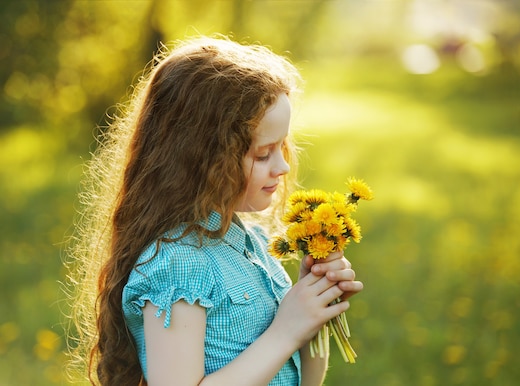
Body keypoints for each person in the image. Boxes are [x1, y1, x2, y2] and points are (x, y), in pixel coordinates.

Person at [66, 35, 363, 386]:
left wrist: (313, 308)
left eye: (282, 147)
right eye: (263, 153)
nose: (282, 166)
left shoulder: (252, 250)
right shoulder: (178, 267)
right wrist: (285, 331)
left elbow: (304, 380)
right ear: (205, 159)